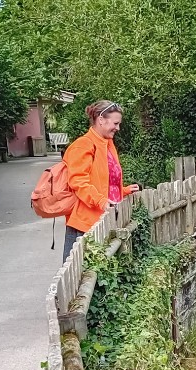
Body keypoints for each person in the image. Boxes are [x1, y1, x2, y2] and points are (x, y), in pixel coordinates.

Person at [62, 100, 139, 261]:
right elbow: (78, 182)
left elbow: (104, 181)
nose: (118, 128)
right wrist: (101, 201)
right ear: (101, 119)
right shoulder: (83, 145)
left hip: (105, 220)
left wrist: (123, 191)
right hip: (85, 224)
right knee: (81, 278)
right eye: (115, 123)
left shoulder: (108, 144)